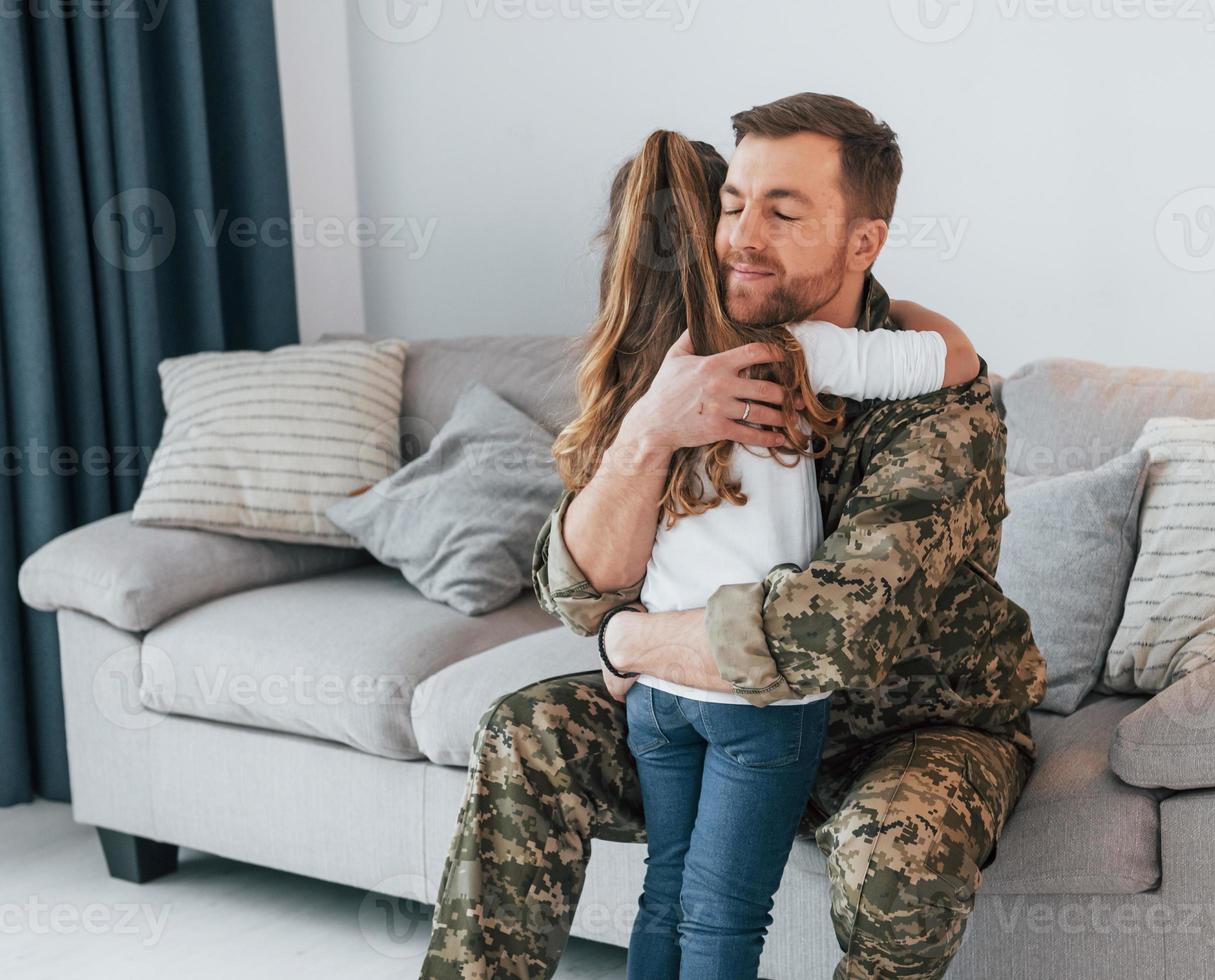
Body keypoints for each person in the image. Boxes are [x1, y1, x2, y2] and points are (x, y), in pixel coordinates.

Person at [419, 92, 1046, 980]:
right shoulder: (689, 353)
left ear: (863, 242)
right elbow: (574, 586)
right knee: (525, 730)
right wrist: (649, 434)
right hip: (712, 709)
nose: (742, 236)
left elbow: (834, 636)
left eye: (784, 212)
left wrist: (628, 638)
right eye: (734, 203)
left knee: (895, 854)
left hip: (904, 725)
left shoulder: (931, 397)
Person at [563, 128, 982, 979]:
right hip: (759, 703)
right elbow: (949, 360)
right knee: (722, 918)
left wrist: (625, 641)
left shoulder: (640, 381)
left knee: (665, 891)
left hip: (654, 696)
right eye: (737, 207)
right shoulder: (791, 349)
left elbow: (588, 573)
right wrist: (916, 316)